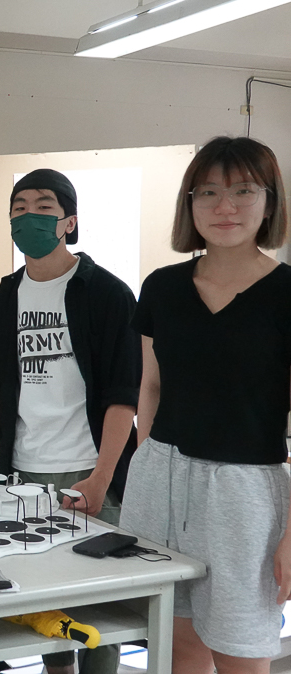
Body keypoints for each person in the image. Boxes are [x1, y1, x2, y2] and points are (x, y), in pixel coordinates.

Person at [0, 168, 140, 674]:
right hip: (24, 473)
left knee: (99, 605)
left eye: (43, 207)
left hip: (87, 470)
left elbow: (123, 397)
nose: (29, 216)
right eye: (19, 208)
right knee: (44, 599)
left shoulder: (107, 294)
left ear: (69, 222)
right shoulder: (3, 298)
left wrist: (102, 476)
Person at [121, 137, 290, 673]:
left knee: (242, 650)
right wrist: (147, 458)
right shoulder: (162, 287)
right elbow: (151, 385)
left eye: (243, 191)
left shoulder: (287, 292)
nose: (225, 207)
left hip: (245, 490)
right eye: (209, 192)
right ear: (190, 204)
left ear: (269, 201)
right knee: (174, 644)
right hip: (160, 477)